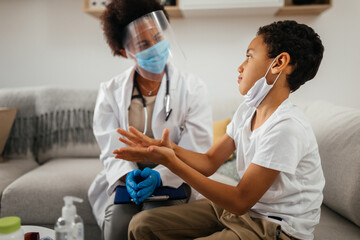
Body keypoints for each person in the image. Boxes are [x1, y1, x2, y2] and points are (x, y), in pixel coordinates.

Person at [114, 20, 325, 240]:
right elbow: (209, 161)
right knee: (142, 225)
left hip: (274, 227)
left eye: (250, 56)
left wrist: (171, 162)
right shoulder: (247, 111)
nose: (240, 66)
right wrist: (170, 148)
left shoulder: (286, 127)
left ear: (279, 62)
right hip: (244, 213)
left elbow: (240, 200)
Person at [87, 0, 213, 239]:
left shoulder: (193, 88)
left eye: (158, 38)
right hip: (128, 179)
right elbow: (110, 148)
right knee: (118, 226)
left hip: (175, 174)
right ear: (126, 51)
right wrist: (128, 174)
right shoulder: (110, 91)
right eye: (143, 44)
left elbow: (196, 148)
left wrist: (161, 175)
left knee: (154, 223)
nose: (155, 47)